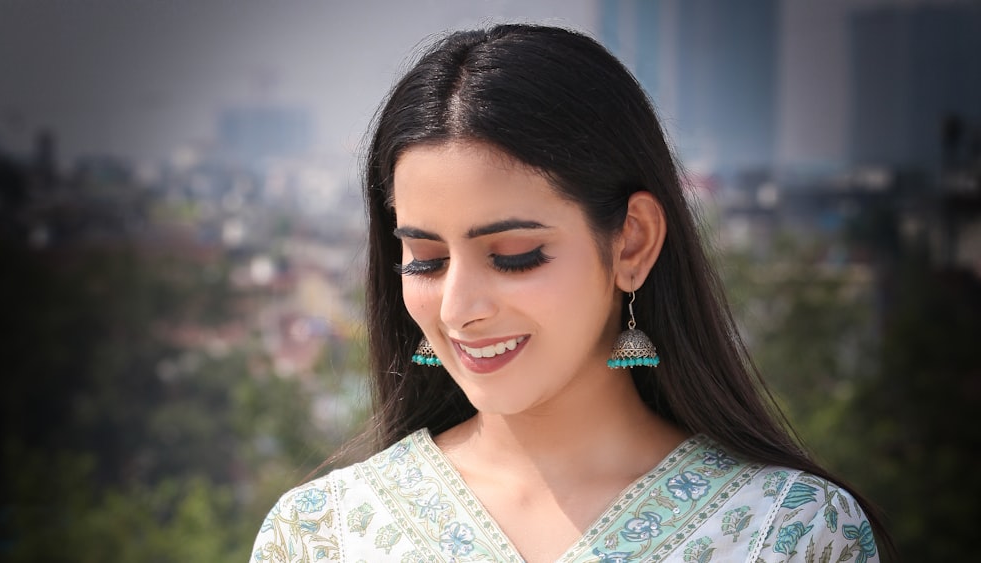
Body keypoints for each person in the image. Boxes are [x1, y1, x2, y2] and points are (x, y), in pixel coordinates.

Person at [251, 24, 891, 562]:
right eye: (426, 261)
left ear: (632, 242)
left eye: (514, 256)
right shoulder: (320, 536)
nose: (458, 309)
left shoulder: (788, 532)